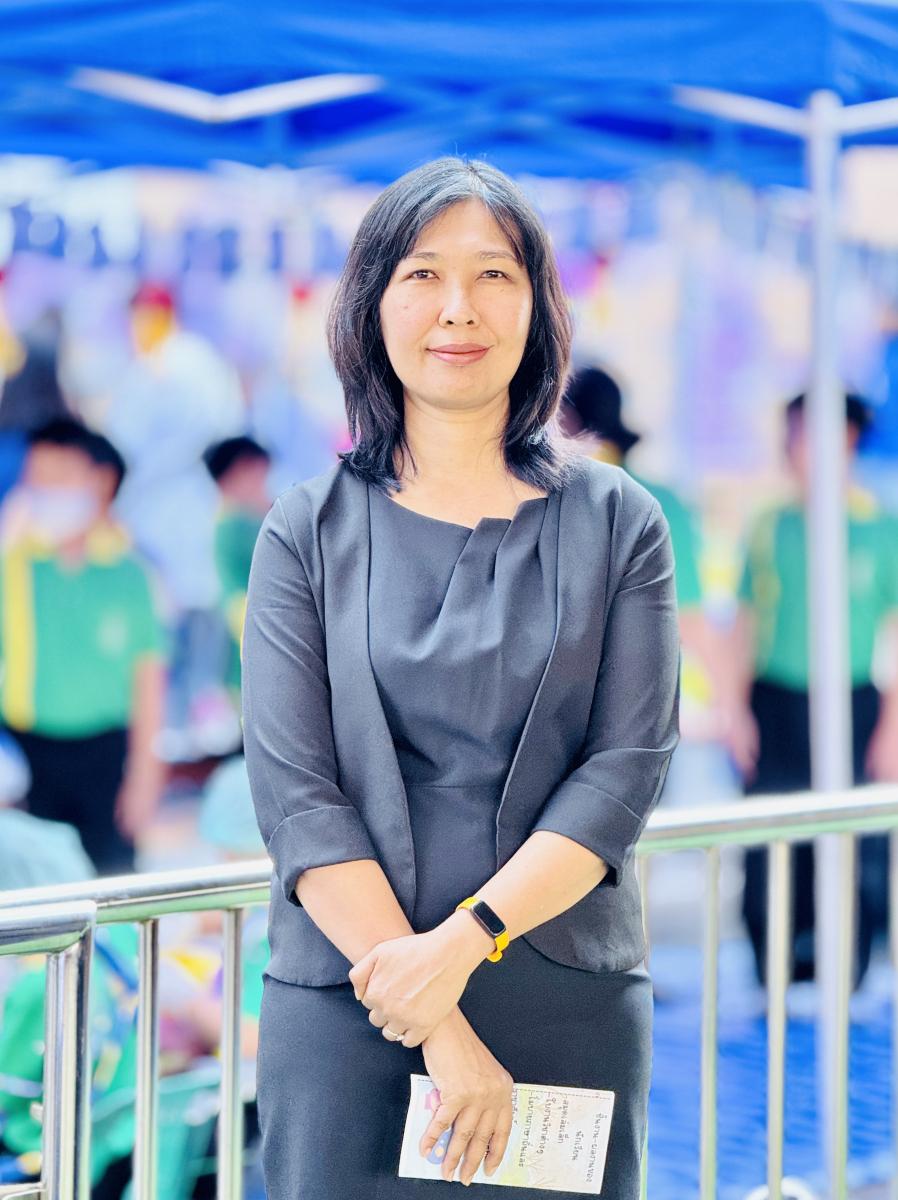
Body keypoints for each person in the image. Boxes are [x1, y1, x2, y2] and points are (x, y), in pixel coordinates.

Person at [242, 158, 680, 1198]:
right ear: (372, 303)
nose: (458, 308)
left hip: (559, 995)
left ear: (537, 306)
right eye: (423, 274)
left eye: (493, 275)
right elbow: (298, 798)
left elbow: (624, 770)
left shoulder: (620, 521)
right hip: (354, 997)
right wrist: (436, 1017)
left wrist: (467, 941)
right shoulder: (303, 530)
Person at [725, 393, 898, 983]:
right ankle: (775, 972)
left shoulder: (880, 529)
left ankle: (847, 974)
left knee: (854, 848)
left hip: (856, 704)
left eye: (811, 435)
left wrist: (891, 729)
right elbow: (744, 620)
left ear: (847, 442)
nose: (797, 449)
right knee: (771, 843)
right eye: (794, 434)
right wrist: (735, 712)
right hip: (774, 703)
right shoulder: (771, 525)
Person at [0, 418, 166, 873]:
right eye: (36, 480)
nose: (45, 493)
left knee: (110, 880)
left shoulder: (130, 573)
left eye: (59, 477)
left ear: (101, 482)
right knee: (38, 888)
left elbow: (148, 678)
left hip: (105, 756)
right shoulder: (14, 565)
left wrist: (145, 775)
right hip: (28, 754)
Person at [204, 437, 271, 700]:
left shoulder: (254, 519)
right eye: (252, 472)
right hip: (258, 653)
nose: (261, 481)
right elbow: (237, 603)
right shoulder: (235, 528)